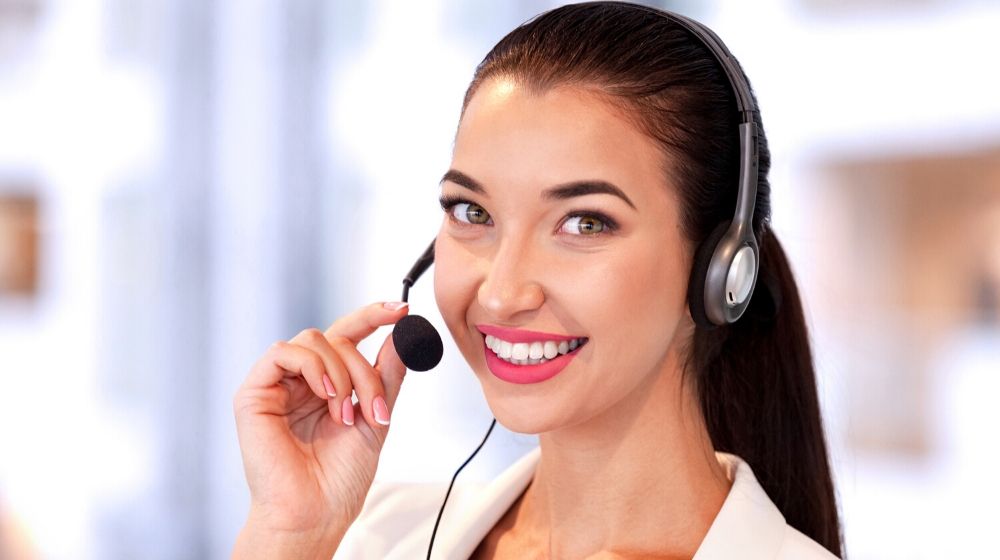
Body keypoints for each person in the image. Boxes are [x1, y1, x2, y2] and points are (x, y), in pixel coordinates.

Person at [231, 2, 843, 558]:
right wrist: (291, 536)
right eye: (473, 213)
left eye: (584, 222)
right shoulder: (381, 535)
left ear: (718, 270)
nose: (500, 293)